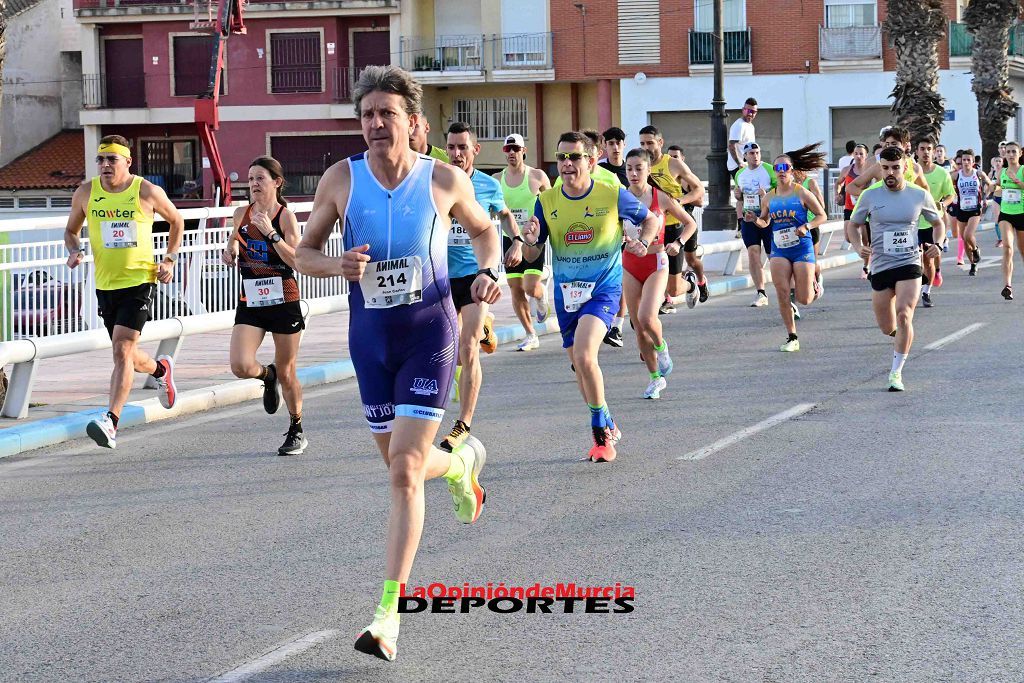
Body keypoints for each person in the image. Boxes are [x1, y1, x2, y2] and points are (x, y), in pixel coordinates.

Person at [294, 65, 501, 662]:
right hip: (371, 340)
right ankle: (460, 464)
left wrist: (488, 272)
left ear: (413, 123)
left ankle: (388, 614)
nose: (376, 124)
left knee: (404, 471)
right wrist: (337, 267)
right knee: (398, 462)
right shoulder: (342, 179)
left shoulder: (444, 179)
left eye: (387, 114)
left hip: (427, 334)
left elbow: (486, 235)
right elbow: (306, 253)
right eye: (366, 115)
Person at [521, 131, 660, 462]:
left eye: (575, 157)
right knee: (579, 365)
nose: (567, 164)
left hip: (603, 290)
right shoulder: (547, 201)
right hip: (566, 294)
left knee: (584, 355)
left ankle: (601, 436)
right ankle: (609, 420)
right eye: (562, 158)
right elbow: (531, 256)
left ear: (591, 160)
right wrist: (529, 239)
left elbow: (651, 219)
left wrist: (643, 240)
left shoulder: (611, 193)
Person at [65, 135, 183, 449]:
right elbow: (71, 230)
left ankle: (111, 421)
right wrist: (75, 250)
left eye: (112, 160)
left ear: (127, 162)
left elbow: (177, 220)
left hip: (140, 281)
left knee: (121, 351)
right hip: (105, 284)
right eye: (100, 160)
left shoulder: (146, 191)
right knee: (126, 354)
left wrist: (169, 259)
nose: (105, 165)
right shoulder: (86, 192)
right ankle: (161, 368)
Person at [442, 121, 523, 451]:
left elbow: (503, 214)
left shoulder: (488, 186)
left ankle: (463, 423)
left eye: (463, 147)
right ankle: (486, 327)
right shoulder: (437, 183)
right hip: (441, 277)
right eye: (451, 147)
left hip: (476, 276)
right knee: (452, 354)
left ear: (475, 150)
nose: (457, 153)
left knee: (468, 346)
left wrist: (515, 240)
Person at [221, 156, 308, 455]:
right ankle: (265, 376)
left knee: (288, 371)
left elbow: (297, 259)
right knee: (240, 365)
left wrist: (271, 234)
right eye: (251, 179)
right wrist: (230, 249)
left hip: (283, 298)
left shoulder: (285, 217)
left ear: (276, 182)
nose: (254, 184)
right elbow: (236, 237)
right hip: (252, 299)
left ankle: (296, 428)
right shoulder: (240, 213)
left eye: (260, 178)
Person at [849, 146, 943, 391]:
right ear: (880, 168)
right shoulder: (870, 195)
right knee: (887, 326)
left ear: (905, 168)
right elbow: (853, 224)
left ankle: (896, 373)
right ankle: (902, 335)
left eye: (895, 168)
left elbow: (938, 222)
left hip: (909, 262)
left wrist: (939, 244)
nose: (890, 172)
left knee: (904, 313)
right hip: (880, 265)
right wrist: (859, 247)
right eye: (885, 168)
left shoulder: (919, 194)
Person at [621, 148, 698, 398]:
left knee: (646, 317)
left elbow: (690, 223)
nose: (633, 173)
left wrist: (678, 243)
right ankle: (655, 378)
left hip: (655, 260)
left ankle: (662, 347)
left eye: (638, 168)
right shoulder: (619, 199)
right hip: (629, 263)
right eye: (629, 169)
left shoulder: (660, 197)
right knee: (637, 325)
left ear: (648, 170)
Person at [753, 145, 827, 352]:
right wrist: (755, 220)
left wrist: (807, 226)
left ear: (792, 170)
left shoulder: (801, 192)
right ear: (775, 172)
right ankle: (792, 336)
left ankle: (814, 283)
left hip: (801, 247)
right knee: (782, 291)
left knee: (804, 298)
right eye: (777, 167)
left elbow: (822, 215)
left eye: (785, 166)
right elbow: (764, 222)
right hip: (780, 249)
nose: (782, 170)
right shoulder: (769, 197)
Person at [638, 125, 706, 313]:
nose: (646, 147)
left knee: (674, 289)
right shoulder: (640, 166)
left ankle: (691, 284)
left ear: (660, 142)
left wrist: (679, 202)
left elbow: (699, 189)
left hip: (674, 226)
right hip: (651, 229)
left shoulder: (673, 164)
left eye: (650, 143)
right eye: (642, 143)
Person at [494, 133, 551, 352]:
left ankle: (541, 294)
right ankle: (530, 334)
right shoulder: (497, 180)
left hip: (532, 240)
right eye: (507, 150)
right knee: (515, 287)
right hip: (510, 239)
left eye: (515, 149)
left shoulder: (537, 176)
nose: (511, 153)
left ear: (523, 151)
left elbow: (552, 204)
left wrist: (545, 229)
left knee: (530, 287)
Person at [665, 144, 711, 303]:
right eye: (670, 156)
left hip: (688, 223)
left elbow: (699, 201)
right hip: (670, 224)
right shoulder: (664, 179)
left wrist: (679, 201)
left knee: (691, 259)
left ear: (682, 159)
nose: (672, 159)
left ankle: (701, 281)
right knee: (664, 261)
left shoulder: (687, 178)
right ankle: (667, 299)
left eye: (676, 156)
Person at [734, 141, 778, 306]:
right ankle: (761, 293)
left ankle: (784, 288)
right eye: (751, 153)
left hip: (768, 216)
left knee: (773, 255)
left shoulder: (769, 169)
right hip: (749, 216)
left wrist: (767, 195)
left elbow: (781, 189)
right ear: (745, 156)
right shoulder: (740, 174)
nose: (755, 156)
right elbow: (740, 198)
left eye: (757, 152)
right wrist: (737, 196)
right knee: (753, 252)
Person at [914, 138, 955, 308]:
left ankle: (926, 291)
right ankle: (913, 287)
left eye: (929, 149)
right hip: (913, 223)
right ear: (916, 151)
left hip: (932, 222)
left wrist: (943, 204)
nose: (925, 152)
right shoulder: (910, 171)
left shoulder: (941, 173)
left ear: (933, 151)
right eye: (922, 148)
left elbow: (950, 194)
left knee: (928, 259)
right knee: (914, 260)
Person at [949, 147, 992, 277]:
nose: (966, 162)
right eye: (964, 160)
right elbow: (947, 186)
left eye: (968, 160)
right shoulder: (956, 175)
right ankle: (973, 264)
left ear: (973, 161)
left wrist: (985, 197)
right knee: (963, 238)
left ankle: (976, 249)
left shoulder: (978, 174)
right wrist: (951, 196)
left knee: (968, 235)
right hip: (961, 209)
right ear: (961, 161)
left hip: (975, 209)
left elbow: (990, 184)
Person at [837, 143, 870, 278]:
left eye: (861, 154)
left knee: (865, 239)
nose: (858, 156)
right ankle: (864, 255)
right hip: (850, 207)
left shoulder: (870, 170)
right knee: (848, 237)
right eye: (856, 153)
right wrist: (838, 194)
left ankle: (866, 266)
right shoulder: (847, 169)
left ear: (866, 156)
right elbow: (838, 182)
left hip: (864, 208)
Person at [996, 141, 1024, 300]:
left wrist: (1017, 181)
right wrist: (992, 187)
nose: (1011, 155)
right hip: (1006, 214)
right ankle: (1008, 286)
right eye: (1008, 152)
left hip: (1022, 213)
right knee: (1007, 247)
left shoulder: (1023, 170)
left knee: (1022, 251)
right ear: (1004, 154)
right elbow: (998, 187)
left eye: (1014, 151)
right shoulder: (1002, 171)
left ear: (1020, 154)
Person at [728, 97, 758, 174]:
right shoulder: (739, 125)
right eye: (748, 110)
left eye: (753, 112)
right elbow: (731, 146)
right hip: (737, 167)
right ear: (743, 110)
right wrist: (739, 163)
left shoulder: (750, 126)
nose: (750, 114)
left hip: (746, 165)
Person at [989, 155, 1005, 247]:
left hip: (1005, 198)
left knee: (1006, 219)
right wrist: (984, 197)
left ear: (1002, 163)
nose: (998, 163)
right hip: (996, 198)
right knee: (997, 218)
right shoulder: (991, 174)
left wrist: (995, 187)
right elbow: (988, 186)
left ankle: (1007, 236)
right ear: (993, 163)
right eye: (996, 161)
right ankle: (1000, 239)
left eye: (999, 161)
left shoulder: (1005, 172)